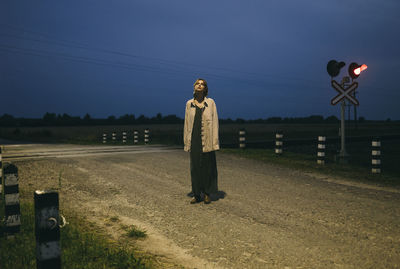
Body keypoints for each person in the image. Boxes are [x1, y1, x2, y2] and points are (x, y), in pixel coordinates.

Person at [184, 78, 219, 204]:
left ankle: (207, 193)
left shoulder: (211, 103)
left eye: (202, 84)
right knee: (195, 167)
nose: (199, 85)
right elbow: (187, 124)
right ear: (194, 87)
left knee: (207, 166)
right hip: (194, 139)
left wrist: (215, 142)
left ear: (205, 88)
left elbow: (215, 123)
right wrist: (186, 142)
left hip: (207, 139)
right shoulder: (189, 104)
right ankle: (196, 194)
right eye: (197, 84)